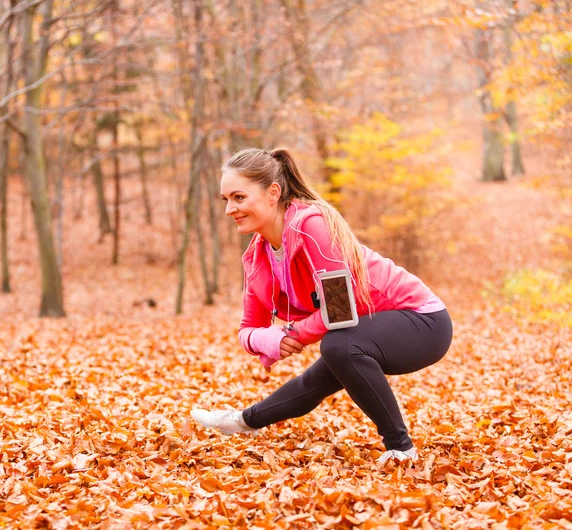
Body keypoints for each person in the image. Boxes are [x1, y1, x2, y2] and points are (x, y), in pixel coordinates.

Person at [191, 147, 453, 464]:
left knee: (339, 346)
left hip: (423, 322)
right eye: (226, 200)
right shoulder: (257, 257)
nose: (229, 209)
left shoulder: (310, 226)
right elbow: (247, 330)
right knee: (316, 378)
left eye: (239, 197)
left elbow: (341, 306)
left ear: (273, 193)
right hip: (365, 329)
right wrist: (271, 340)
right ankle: (241, 422)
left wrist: (295, 333)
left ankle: (400, 448)